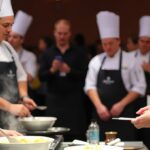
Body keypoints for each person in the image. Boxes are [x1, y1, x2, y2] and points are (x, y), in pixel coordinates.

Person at [84, 11, 146, 141]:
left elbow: (140, 87)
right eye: (104, 44)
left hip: (123, 114)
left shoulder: (131, 60)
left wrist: (121, 104)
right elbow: (89, 86)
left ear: (118, 41)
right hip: (101, 115)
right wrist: (99, 106)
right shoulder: (96, 61)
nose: (107, 47)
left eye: (110, 43)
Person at [39, 19, 88, 140]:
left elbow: (86, 76)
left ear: (70, 34)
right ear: (54, 33)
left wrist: (69, 71)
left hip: (74, 102)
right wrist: (52, 70)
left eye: (65, 34)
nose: (62, 36)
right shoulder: (47, 53)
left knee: (75, 137)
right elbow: (41, 77)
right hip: (54, 102)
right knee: (53, 138)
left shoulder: (79, 52)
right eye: (59, 33)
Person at [0, 0, 37, 129]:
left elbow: (21, 76)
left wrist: (24, 96)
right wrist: (10, 106)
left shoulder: (8, 48)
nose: (10, 30)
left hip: (11, 121)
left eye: (12, 25)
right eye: (6, 25)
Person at [131, 16, 150, 149]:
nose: (144, 44)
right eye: (142, 41)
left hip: (149, 100)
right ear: (138, 41)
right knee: (135, 132)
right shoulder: (130, 56)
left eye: (148, 42)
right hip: (135, 101)